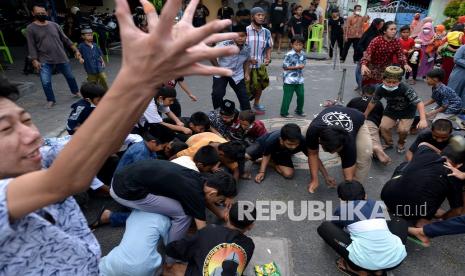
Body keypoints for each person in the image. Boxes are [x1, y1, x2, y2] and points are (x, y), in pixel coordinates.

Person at [0, 0, 237, 272]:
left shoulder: (43, 154)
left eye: (27, 119)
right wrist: (139, 74)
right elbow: (67, 178)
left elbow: (108, 141)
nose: (31, 135)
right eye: (5, 129)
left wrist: (150, 80)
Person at [111, 160, 237, 262]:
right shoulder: (194, 193)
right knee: (184, 215)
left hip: (123, 176)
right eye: (221, 200)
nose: (220, 203)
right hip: (124, 191)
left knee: (186, 207)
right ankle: (172, 257)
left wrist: (220, 213)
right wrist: (218, 252)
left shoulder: (202, 179)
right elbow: (203, 233)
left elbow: (206, 199)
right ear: (214, 192)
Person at [318, 181, 407, 275]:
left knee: (325, 227)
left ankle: (358, 271)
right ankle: (379, 271)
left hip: (362, 263)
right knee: (400, 221)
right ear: (365, 196)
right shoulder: (375, 204)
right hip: (396, 260)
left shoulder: (342, 209)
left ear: (341, 199)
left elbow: (335, 227)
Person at [381, 143, 464, 227]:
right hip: (416, 211)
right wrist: (443, 217)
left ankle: (387, 207)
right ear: (459, 165)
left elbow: (422, 143)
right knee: (439, 188)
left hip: (387, 196)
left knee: (404, 166)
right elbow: (457, 211)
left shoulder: (424, 151)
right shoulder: (454, 176)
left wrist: (439, 152)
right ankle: (423, 220)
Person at [165, 202, 256, 276]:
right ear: (250, 226)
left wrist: (167, 249)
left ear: (227, 216)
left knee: (171, 268)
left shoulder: (209, 231)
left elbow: (177, 249)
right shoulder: (249, 245)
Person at [306, 105, 372, 193]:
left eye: (336, 151)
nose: (332, 154)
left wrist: (349, 191)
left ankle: (357, 190)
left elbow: (348, 178)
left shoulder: (349, 143)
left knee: (365, 155)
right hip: (332, 111)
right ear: (319, 140)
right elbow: (312, 154)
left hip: (357, 117)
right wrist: (315, 180)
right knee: (309, 146)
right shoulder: (313, 131)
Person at [26, 4, 82, 107]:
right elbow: (31, 45)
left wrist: (75, 50)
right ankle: (51, 100)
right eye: (38, 13)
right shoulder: (30, 28)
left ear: (47, 13)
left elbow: (66, 39)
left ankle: (75, 91)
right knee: (45, 81)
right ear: (33, 13)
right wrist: (34, 60)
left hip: (61, 56)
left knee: (70, 76)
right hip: (44, 59)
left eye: (43, 13)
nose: (41, 14)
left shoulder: (54, 25)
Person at [364, 66, 427, 153]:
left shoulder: (405, 88)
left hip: (408, 111)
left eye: (394, 82)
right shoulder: (380, 88)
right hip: (391, 109)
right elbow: (373, 102)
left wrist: (423, 119)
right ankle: (389, 143)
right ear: (383, 80)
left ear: (399, 81)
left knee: (403, 130)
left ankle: (401, 143)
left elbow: (419, 103)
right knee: (383, 127)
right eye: (388, 82)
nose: (391, 84)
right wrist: (365, 114)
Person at [99, 211, 171, 276]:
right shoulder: (164, 219)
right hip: (142, 269)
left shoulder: (133, 215)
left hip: (114, 262)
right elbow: (169, 245)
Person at [211, 24, 252, 111]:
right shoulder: (224, 45)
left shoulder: (247, 47)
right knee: (217, 94)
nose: (240, 38)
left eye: (242, 36)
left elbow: (247, 61)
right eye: (237, 36)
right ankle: (218, 113)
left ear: (246, 37)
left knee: (243, 95)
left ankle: (247, 116)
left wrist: (247, 73)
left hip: (237, 74)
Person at [347, 85, 391, 165]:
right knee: (373, 138)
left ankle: (357, 147)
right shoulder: (378, 103)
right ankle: (376, 148)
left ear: (361, 93)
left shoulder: (354, 100)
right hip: (370, 122)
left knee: (357, 137)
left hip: (355, 122)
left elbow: (347, 112)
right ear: (374, 94)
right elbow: (381, 117)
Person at [175, 132, 245, 180]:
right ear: (221, 155)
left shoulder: (227, 149)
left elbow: (236, 171)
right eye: (230, 161)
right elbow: (175, 156)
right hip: (192, 140)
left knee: (222, 173)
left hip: (210, 136)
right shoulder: (197, 149)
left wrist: (231, 194)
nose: (231, 163)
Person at [361, 21, 412, 86]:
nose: (394, 31)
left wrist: (405, 64)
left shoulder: (396, 42)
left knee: (382, 90)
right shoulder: (377, 40)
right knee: (369, 90)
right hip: (371, 68)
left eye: (395, 29)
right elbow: (368, 53)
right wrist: (364, 65)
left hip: (385, 69)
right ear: (385, 31)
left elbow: (400, 54)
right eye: (391, 29)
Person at [246, 7, 273, 115]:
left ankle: (256, 103)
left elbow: (269, 46)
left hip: (260, 65)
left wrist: (268, 58)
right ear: (252, 17)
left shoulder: (266, 32)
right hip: (246, 66)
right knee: (246, 87)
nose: (261, 17)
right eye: (258, 15)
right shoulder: (245, 30)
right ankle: (245, 105)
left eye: (263, 15)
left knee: (260, 86)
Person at [353, 18, 384, 91]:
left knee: (369, 74)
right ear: (376, 25)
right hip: (363, 56)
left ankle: (366, 88)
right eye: (380, 25)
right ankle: (360, 86)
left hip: (374, 58)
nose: (382, 26)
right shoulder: (367, 33)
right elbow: (360, 44)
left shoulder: (381, 34)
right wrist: (363, 51)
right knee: (359, 72)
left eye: (382, 25)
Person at [280, 35, 307, 118]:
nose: (298, 46)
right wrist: (297, 67)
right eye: (296, 44)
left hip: (299, 79)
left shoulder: (303, 54)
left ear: (303, 45)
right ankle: (284, 112)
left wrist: (301, 66)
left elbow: (304, 63)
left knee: (301, 95)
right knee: (287, 97)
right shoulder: (288, 54)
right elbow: (284, 66)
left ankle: (299, 110)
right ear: (292, 45)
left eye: (300, 45)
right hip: (289, 79)